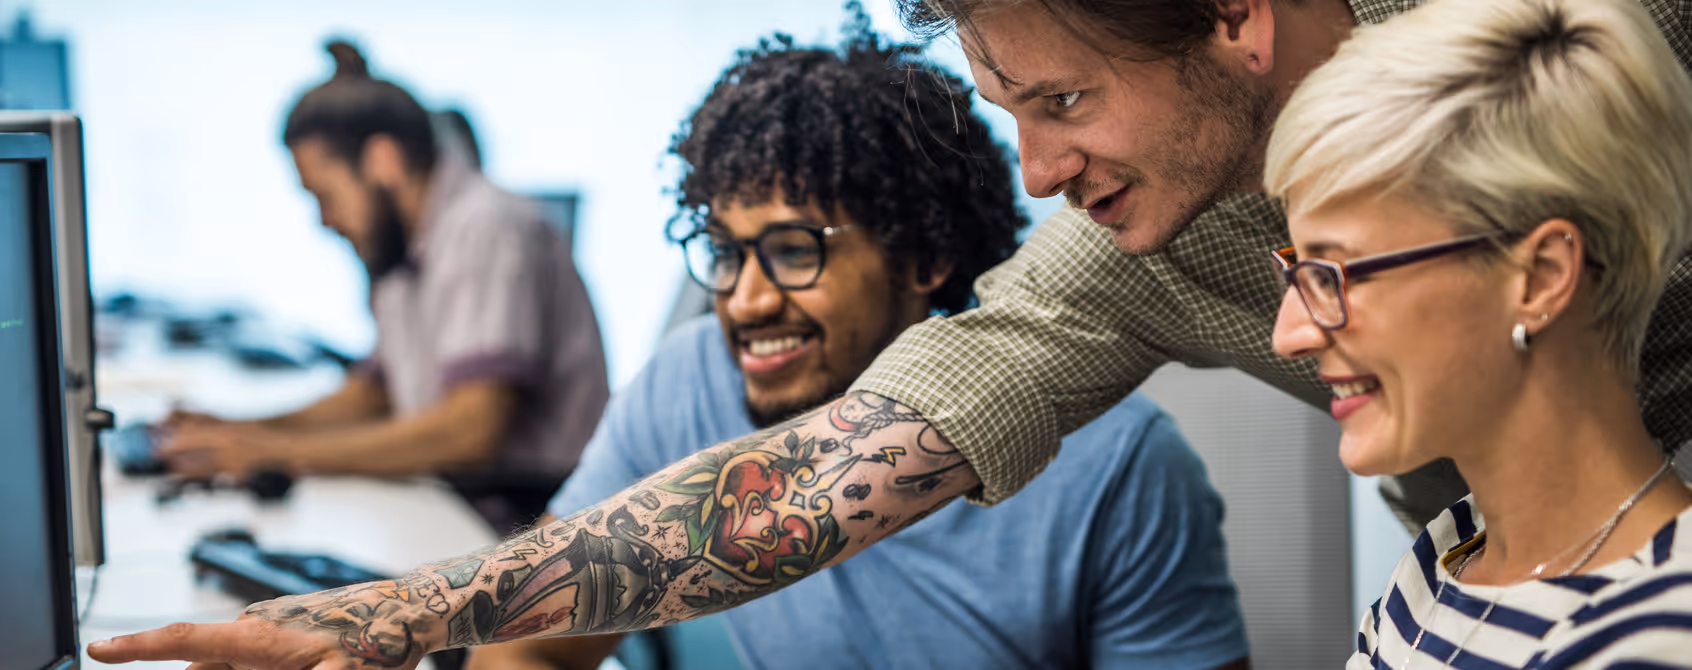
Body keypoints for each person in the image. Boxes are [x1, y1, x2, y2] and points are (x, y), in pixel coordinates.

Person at [83, 0, 1692, 665]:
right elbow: (798, 483)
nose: (1040, 169)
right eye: (1010, 113)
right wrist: (383, 623)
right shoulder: (1118, 256)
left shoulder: (1566, 61)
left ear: (1236, 21)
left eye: (1060, 101)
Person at [469, 29, 1248, 670]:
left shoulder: (1121, 463)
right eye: (728, 253)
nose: (744, 299)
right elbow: (528, 647)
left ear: (921, 256)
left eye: (794, 251)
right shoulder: (691, 380)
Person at [1262, 0, 1692, 665]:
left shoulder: (1653, 636)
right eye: (1298, 272)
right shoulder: (1449, 553)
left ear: (1540, 277)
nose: (1289, 334)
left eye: (1334, 272)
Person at [160, 41, 609, 534]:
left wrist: (276, 452)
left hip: (528, 521)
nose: (326, 220)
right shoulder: (401, 247)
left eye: (325, 196)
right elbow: (372, 395)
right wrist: (241, 430)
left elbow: (470, 431)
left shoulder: (487, 226)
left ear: (382, 160)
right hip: (462, 503)